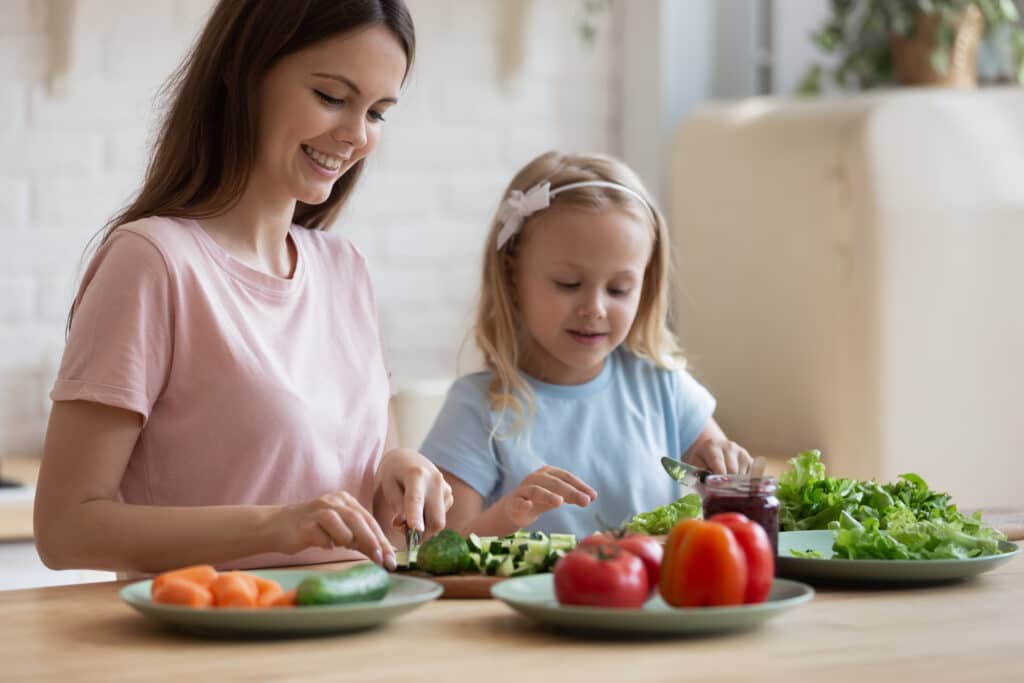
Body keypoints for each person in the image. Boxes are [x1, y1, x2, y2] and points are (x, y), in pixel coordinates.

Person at [33, 0, 452, 575]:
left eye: (377, 112)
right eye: (331, 97)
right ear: (243, 72)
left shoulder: (344, 269)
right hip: (202, 647)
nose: (355, 135)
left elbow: (356, 487)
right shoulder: (153, 262)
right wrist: (274, 524)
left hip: (349, 639)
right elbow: (65, 529)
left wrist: (399, 471)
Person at [420, 151, 754, 539]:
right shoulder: (478, 408)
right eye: (568, 284)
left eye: (619, 289)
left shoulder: (664, 388)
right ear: (512, 277)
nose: (594, 308)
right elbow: (438, 550)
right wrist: (509, 515)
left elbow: (723, 484)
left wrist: (725, 470)